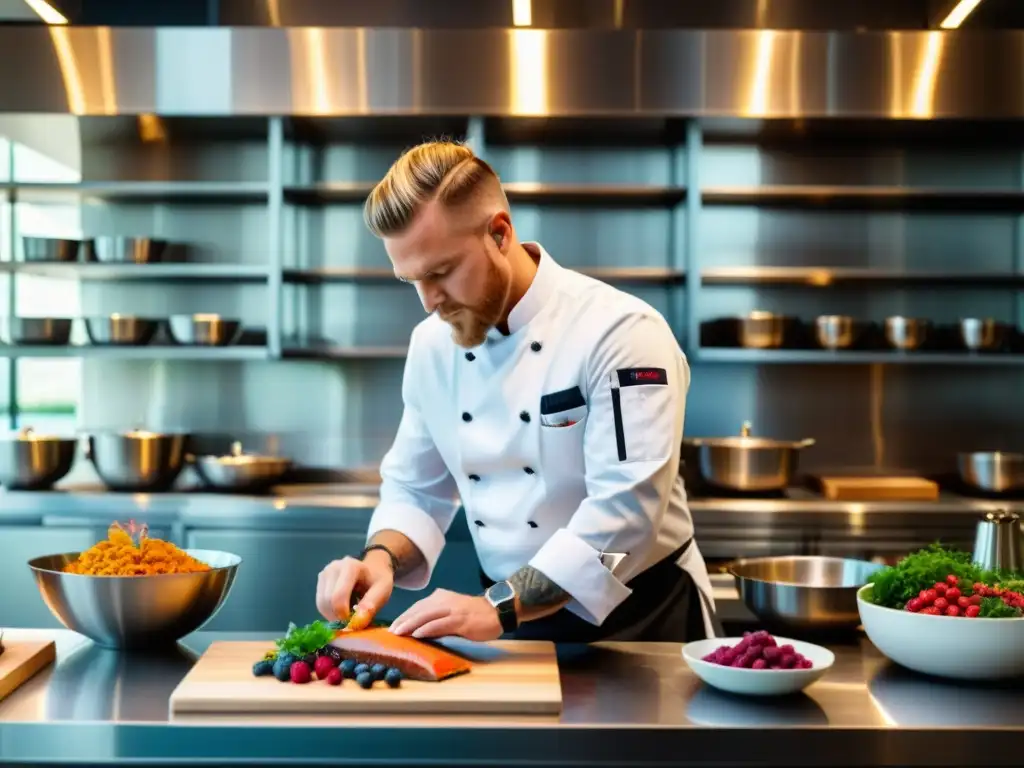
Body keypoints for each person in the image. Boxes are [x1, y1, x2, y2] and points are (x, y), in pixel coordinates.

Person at [314, 140, 720, 643]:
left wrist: (501, 607)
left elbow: (627, 517)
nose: (427, 302)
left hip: (642, 623)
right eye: (411, 279)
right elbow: (417, 488)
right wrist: (380, 560)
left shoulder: (621, 332)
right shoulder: (430, 348)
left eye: (440, 272)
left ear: (499, 233)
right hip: (511, 619)